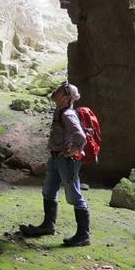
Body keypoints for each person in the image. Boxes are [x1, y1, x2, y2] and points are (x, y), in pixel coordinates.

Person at [19, 82, 90, 246]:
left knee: (74, 196)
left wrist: (73, 150)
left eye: (58, 91)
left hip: (67, 161)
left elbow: (81, 137)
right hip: (56, 158)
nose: (55, 92)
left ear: (66, 97)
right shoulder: (60, 110)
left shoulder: (68, 114)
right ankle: (48, 225)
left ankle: (83, 235)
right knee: (49, 190)